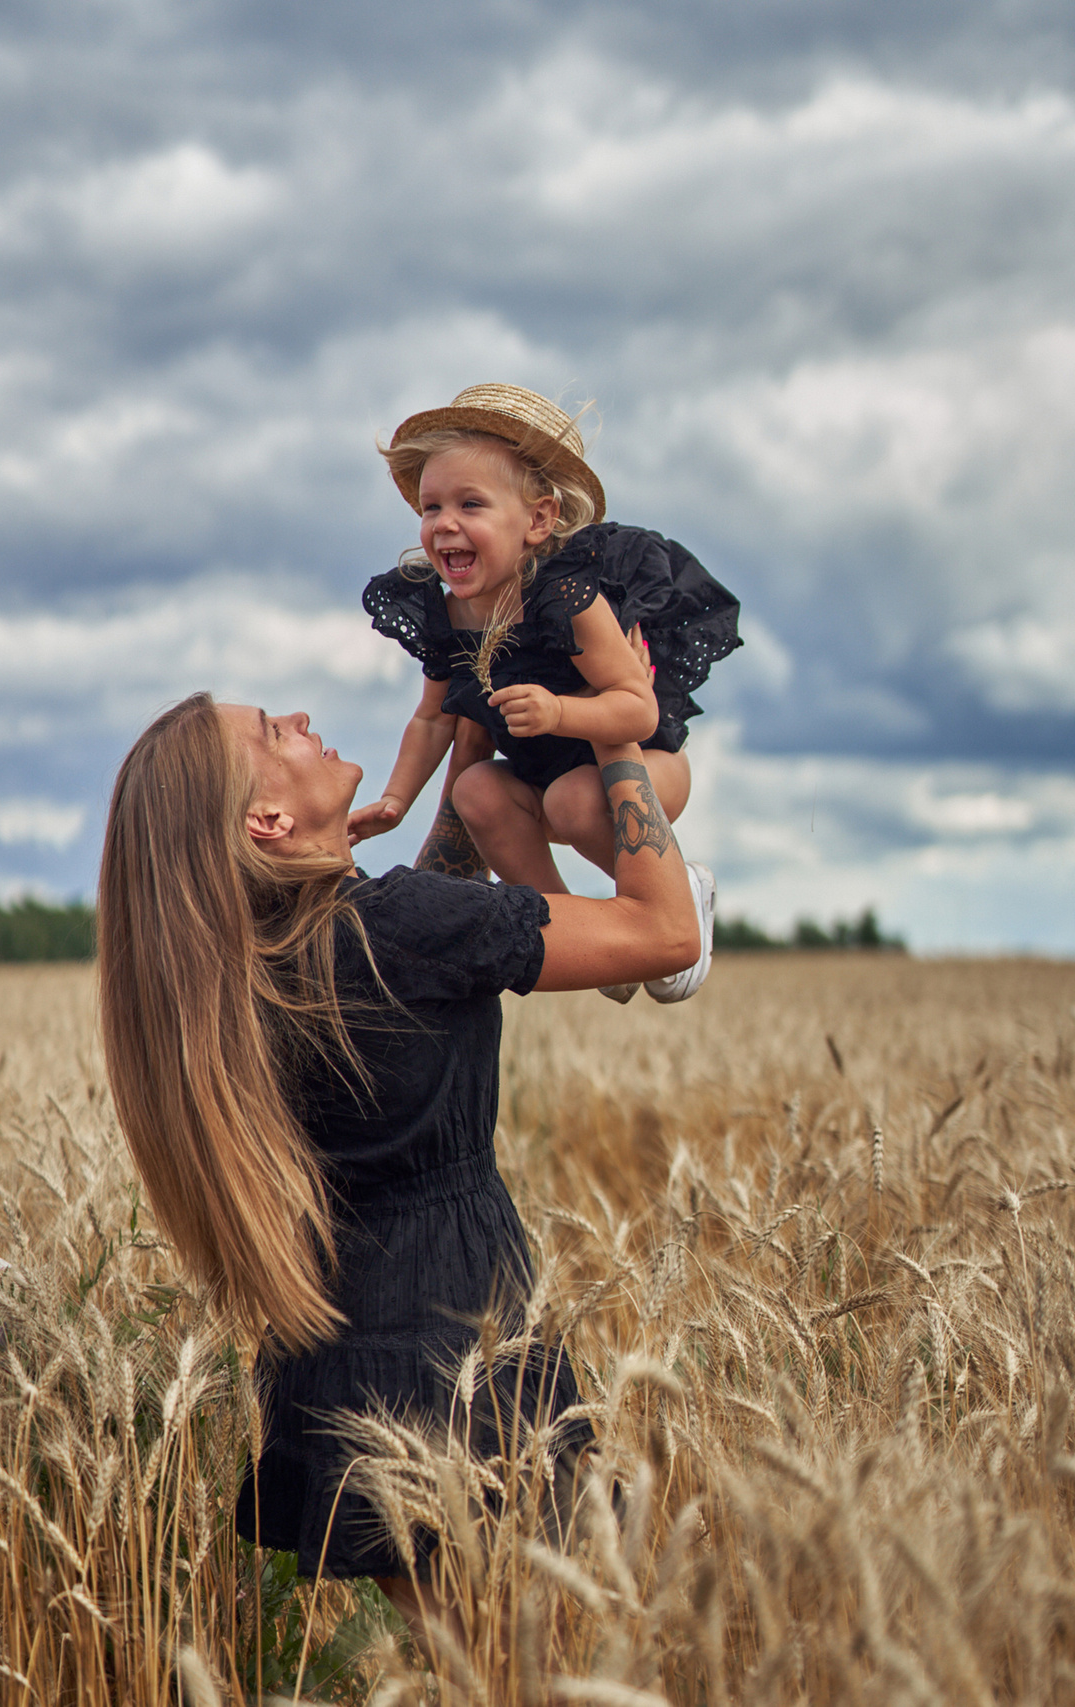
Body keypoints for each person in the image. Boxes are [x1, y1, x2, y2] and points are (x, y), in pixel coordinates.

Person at [94, 693, 702, 1631]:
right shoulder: (397, 929)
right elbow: (666, 933)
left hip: (345, 1364)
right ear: (267, 819)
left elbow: (422, 944)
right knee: (552, 1665)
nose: (301, 717)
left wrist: (469, 745)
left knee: (484, 1673)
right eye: (273, 730)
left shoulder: (250, 970)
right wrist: (614, 722)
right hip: (464, 1355)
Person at [348, 385, 736, 1001]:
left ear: (538, 520)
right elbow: (431, 720)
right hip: (543, 783)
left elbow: (638, 708)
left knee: (574, 799)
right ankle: (583, 933)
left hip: (645, 767)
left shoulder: (565, 596)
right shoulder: (446, 613)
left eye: (471, 504)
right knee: (476, 790)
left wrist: (557, 710)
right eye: (431, 507)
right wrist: (396, 799)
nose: (444, 523)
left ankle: (678, 892)